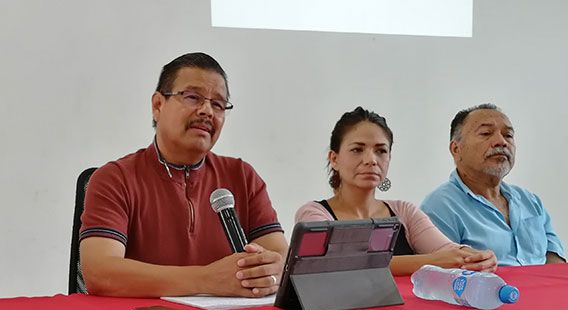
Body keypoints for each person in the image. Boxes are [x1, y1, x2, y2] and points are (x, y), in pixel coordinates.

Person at [80, 53, 287, 297]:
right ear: (158, 105)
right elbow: (101, 273)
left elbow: (282, 258)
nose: (207, 111)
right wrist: (206, 279)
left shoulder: (242, 176)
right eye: (192, 97)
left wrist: (271, 270)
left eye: (218, 104)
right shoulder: (115, 178)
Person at [295, 107, 497, 275]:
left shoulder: (404, 211)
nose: (371, 160)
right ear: (334, 159)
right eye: (357, 149)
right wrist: (432, 261)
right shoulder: (314, 214)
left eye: (381, 151)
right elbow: (336, 265)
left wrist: (475, 257)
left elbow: (446, 250)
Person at [421, 103, 565, 266]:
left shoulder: (530, 201)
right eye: (486, 133)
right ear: (456, 149)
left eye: (508, 135)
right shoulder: (440, 206)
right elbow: (444, 276)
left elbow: (555, 259)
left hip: (545, 289)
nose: (501, 142)